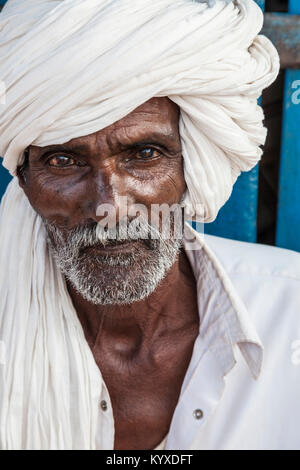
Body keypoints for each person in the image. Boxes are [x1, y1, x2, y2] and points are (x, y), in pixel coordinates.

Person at [1, 0, 299, 451]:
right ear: (24, 179)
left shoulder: (290, 310)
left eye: (144, 155)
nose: (109, 207)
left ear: (192, 165)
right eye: (64, 160)